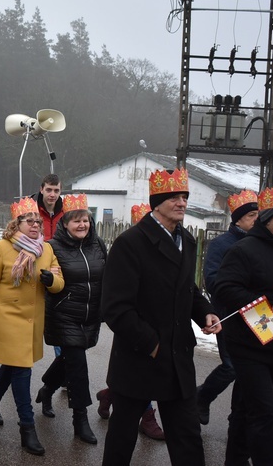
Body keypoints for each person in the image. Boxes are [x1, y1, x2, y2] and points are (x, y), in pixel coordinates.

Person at [100, 168, 221, 466]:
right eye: (174, 197)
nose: (182, 203)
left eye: (184, 197)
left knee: (187, 438)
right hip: (140, 359)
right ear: (157, 202)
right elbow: (115, 307)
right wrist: (151, 343)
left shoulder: (187, 242)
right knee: (122, 439)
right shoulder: (131, 243)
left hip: (178, 359)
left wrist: (204, 312)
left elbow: (187, 289)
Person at [214, 185, 273, 466]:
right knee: (264, 413)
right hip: (249, 344)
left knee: (246, 410)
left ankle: (234, 460)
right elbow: (224, 289)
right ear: (267, 219)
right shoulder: (244, 250)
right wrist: (265, 304)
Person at [0, 197, 65, 456]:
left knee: (14, 365)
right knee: (22, 370)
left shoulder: (46, 249)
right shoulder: (1, 248)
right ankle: (27, 427)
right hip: (7, 319)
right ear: (16, 224)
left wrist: (50, 279)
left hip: (32, 322)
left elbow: (59, 281)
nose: (35, 225)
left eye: (38, 221)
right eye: (29, 221)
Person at [34, 194, 106, 445]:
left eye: (85, 220)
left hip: (90, 314)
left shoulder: (98, 244)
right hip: (63, 314)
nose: (82, 225)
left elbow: (106, 276)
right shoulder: (52, 247)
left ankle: (47, 389)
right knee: (78, 364)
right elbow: (44, 276)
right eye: (76, 221)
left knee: (69, 358)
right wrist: (46, 277)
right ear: (65, 224)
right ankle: (81, 419)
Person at [95, 203, 166, 442]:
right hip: (132, 324)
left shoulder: (168, 246)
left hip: (158, 323)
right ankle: (147, 418)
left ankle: (108, 395)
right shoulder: (127, 246)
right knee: (137, 377)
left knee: (140, 380)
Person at [196, 189, 258, 425]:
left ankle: (238, 415)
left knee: (250, 368)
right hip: (229, 314)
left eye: (259, 215)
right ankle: (202, 396)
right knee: (232, 366)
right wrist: (241, 293)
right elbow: (212, 280)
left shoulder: (261, 244)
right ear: (238, 219)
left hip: (258, 315)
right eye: (252, 215)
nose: (257, 219)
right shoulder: (222, 245)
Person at [36, 174, 64, 241]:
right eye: (49, 190)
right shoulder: (31, 211)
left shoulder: (66, 212)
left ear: (60, 191)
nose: (52, 195)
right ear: (41, 190)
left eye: (56, 191)